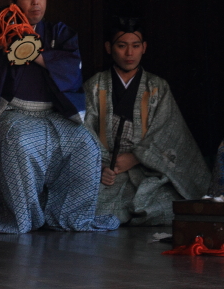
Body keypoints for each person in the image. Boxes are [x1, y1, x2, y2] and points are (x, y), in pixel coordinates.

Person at [0, 0, 119, 234]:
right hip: (13, 115)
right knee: (20, 143)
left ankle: (68, 216)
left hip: (55, 115)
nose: (35, 3)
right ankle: (24, 219)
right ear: (13, 2)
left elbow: (71, 69)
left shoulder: (59, 34)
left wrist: (36, 55)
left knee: (86, 146)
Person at [83, 16, 210, 225]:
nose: (129, 53)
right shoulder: (95, 86)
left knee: (170, 203)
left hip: (147, 171)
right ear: (109, 47)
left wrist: (136, 157)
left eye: (135, 46)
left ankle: (130, 212)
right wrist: (102, 167)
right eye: (122, 46)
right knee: (87, 204)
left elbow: (169, 132)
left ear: (144, 47)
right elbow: (85, 132)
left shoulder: (158, 87)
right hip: (108, 172)